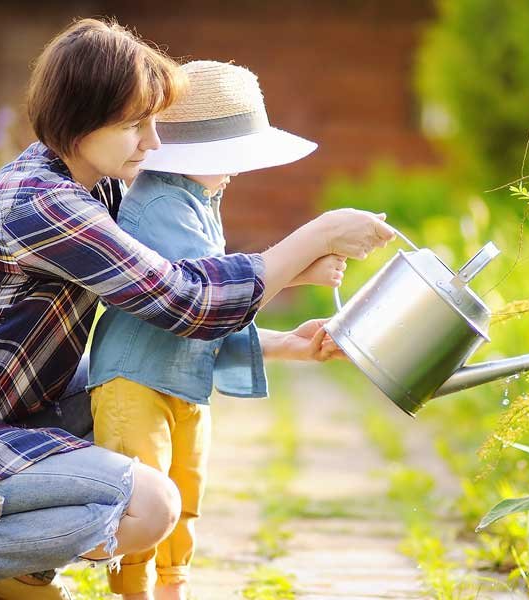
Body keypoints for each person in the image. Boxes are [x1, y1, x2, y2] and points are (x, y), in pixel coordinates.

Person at [0, 19, 394, 600]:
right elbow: (184, 300)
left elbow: (151, 321)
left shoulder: (96, 187)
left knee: (122, 387)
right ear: (80, 122)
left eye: (154, 123)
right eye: (134, 125)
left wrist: (282, 342)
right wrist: (318, 233)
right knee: (150, 506)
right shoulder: (42, 206)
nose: (153, 143)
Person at [84, 60, 344, 600]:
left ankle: (174, 586)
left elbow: (213, 317)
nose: (235, 172)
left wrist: (292, 344)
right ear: (194, 154)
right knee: (142, 490)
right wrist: (299, 263)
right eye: (229, 159)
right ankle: (132, 591)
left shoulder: (197, 202)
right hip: (135, 378)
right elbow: (205, 301)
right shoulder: (156, 202)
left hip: (181, 378)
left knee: (186, 490)